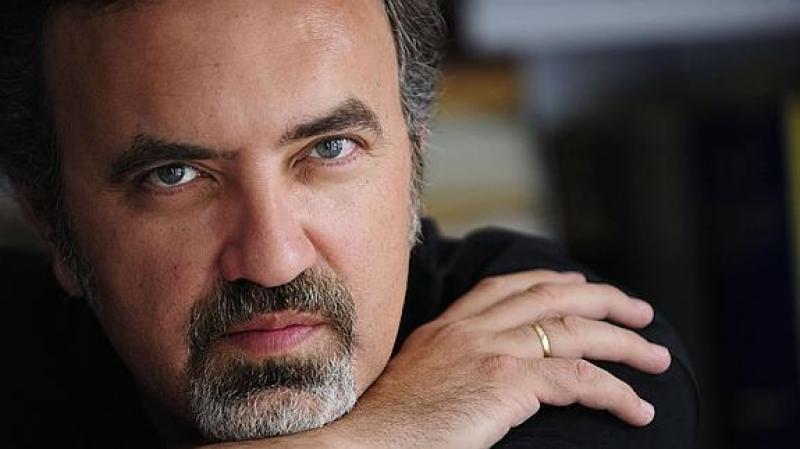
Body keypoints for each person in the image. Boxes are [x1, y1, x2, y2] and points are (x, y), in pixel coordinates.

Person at [0, 0, 698, 448]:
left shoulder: (563, 357)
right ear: (53, 223)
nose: (273, 259)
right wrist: (392, 431)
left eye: (329, 149)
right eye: (174, 175)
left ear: (414, 160)